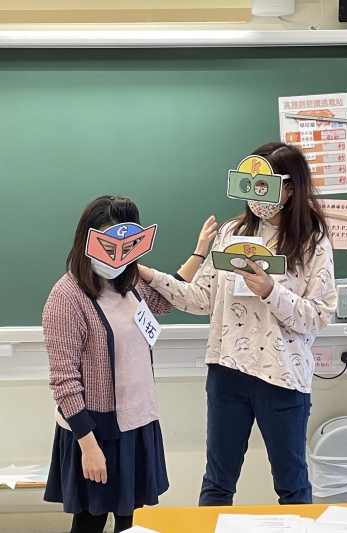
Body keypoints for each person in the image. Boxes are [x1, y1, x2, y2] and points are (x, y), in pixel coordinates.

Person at [139, 142, 338, 506]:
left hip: (282, 376)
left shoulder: (312, 241)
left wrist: (270, 291)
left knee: (292, 485)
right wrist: (150, 275)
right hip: (227, 370)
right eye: (250, 184)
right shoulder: (232, 232)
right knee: (217, 482)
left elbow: (318, 316)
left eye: (264, 185)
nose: (256, 195)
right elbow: (202, 298)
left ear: (290, 188)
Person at [42, 195, 216, 533]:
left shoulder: (129, 282)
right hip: (95, 431)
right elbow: (64, 381)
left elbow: (168, 297)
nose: (118, 256)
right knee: (90, 522)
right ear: (88, 241)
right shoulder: (66, 297)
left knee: (132, 523)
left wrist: (198, 253)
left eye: (128, 246)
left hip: (136, 425)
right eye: (109, 246)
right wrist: (89, 446)